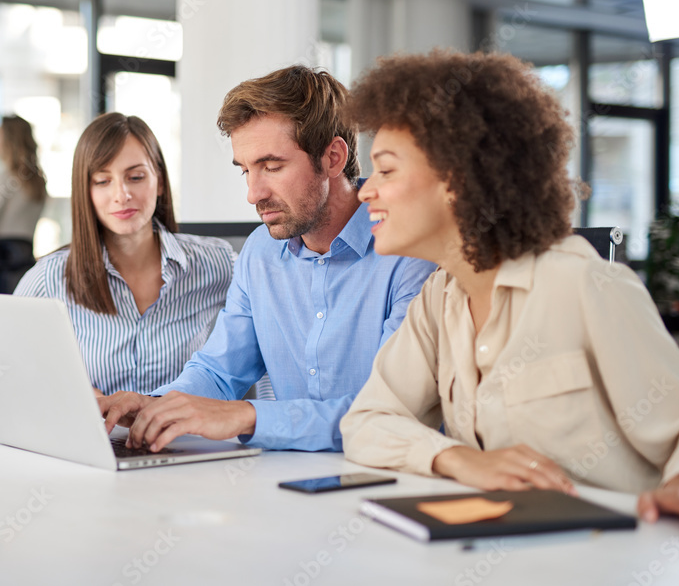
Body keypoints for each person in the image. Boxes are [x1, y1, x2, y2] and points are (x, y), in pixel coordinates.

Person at [339, 50, 679, 533]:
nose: (366, 190)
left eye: (386, 171)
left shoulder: (584, 284)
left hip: (620, 553)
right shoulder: (438, 300)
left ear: (456, 179)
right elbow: (365, 423)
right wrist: (456, 459)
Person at [97, 65, 436, 453]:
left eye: (272, 167)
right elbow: (220, 371)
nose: (253, 193)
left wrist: (247, 417)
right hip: (286, 484)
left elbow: (387, 412)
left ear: (333, 157)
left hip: (391, 482)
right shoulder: (260, 252)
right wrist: (157, 407)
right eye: (245, 170)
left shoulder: (410, 252)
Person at [13, 113, 235, 396]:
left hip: (185, 439)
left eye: (136, 177)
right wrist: (68, 392)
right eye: (103, 181)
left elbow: (268, 349)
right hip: (91, 437)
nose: (122, 194)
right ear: (85, 192)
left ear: (161, 182)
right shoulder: (50, 278)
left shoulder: (216, 263)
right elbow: (9, 372)